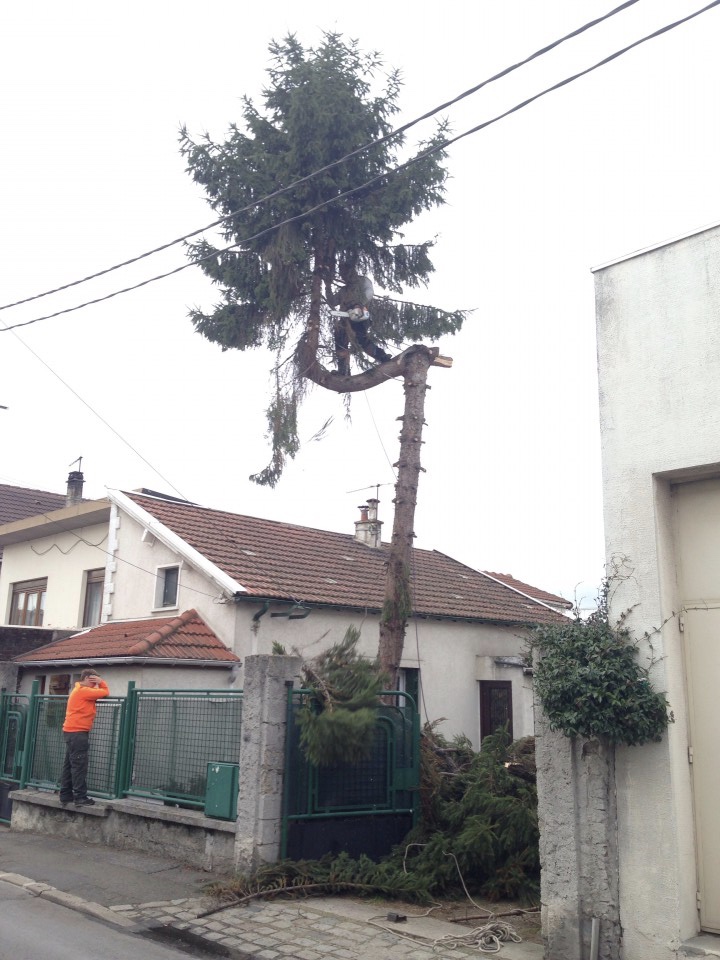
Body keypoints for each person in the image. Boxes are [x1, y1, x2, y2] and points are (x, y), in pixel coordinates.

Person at [329, 261, 391, 376]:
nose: (343, 276)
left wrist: (359, 304)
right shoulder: (343, 290)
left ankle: (382, 356)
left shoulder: (362, 281)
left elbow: (369, 292)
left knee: (361, 339)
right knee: (340, 341)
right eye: (342, 274)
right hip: (345, 318)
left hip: (359, 314)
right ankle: (343, 370)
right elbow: (332, 301)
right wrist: (327, 285)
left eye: (345, 273)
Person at [59, 669, 109, 807]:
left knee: (70, 764)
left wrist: (98, 683)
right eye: (94, 681)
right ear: (88, 678)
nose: (95, 685)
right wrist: (102, 683)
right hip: (77, 732)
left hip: (72, 732)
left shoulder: (78, 690)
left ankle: (65, 795)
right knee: (79, 765)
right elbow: (104, 692)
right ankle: (80, 797)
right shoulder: (83, 691)